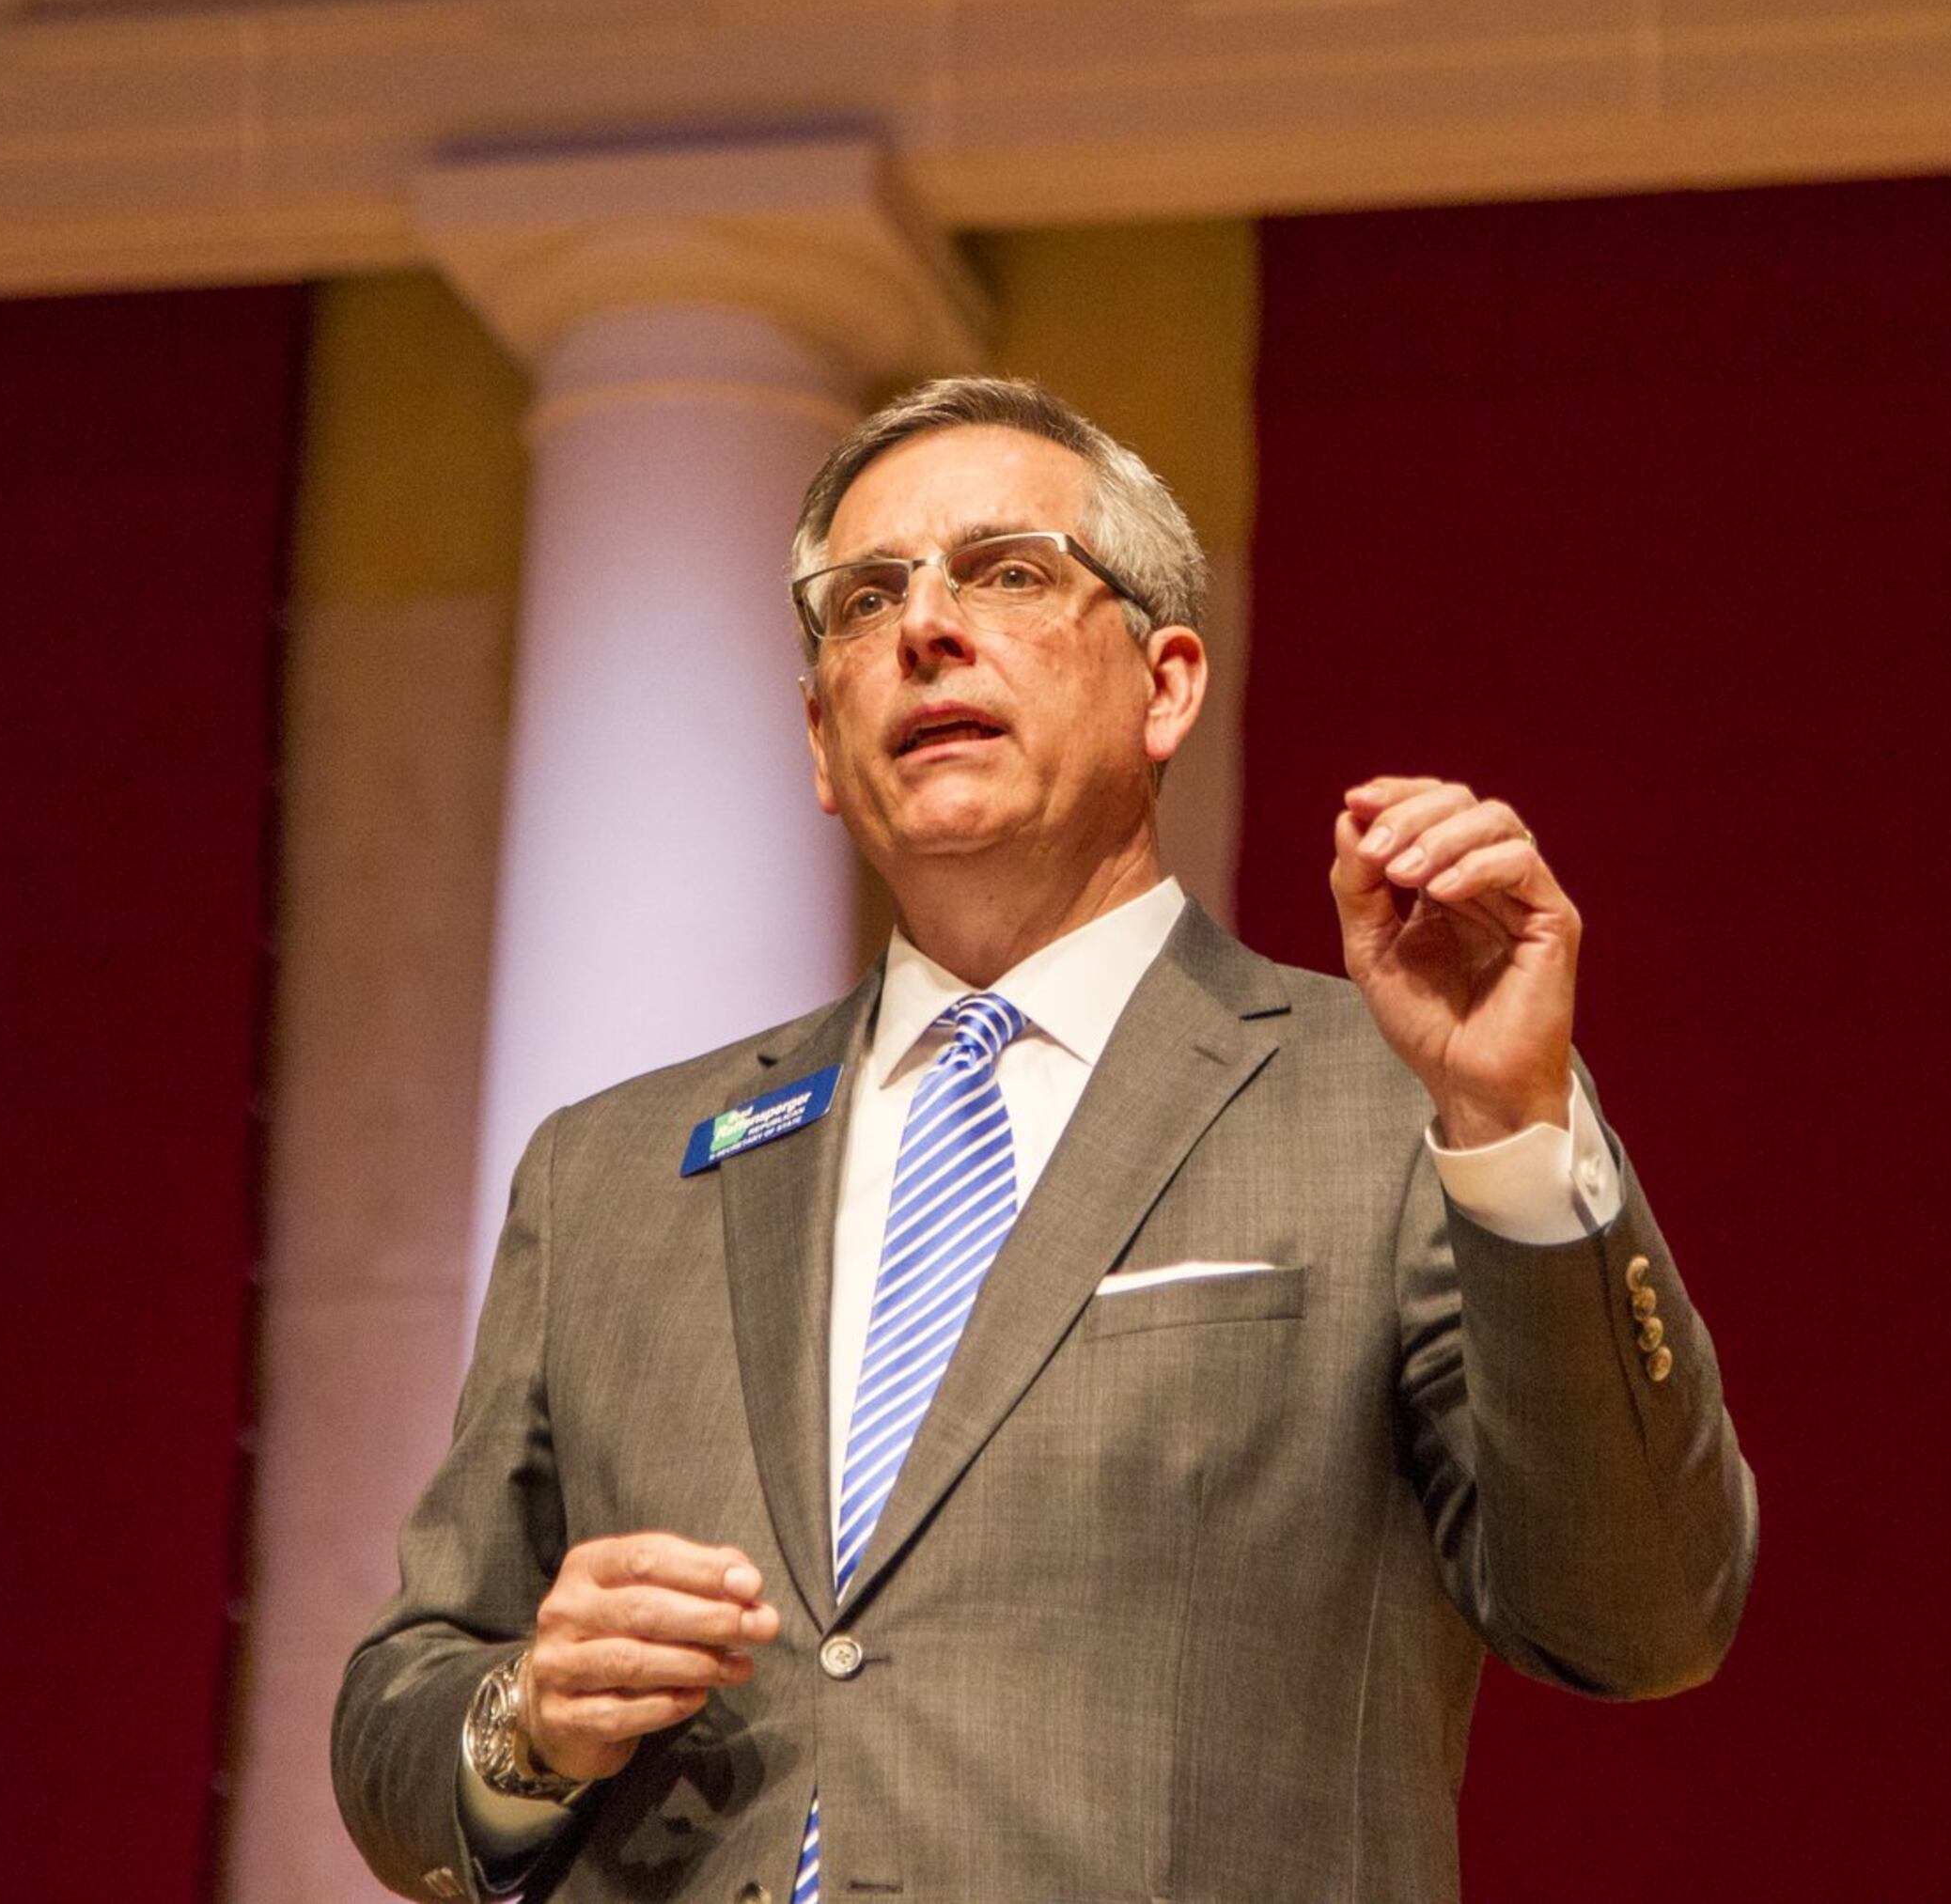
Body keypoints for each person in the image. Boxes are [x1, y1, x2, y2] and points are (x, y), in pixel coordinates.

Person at [333, 377, 1755, 1904]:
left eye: (1006, 571)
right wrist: (528, 1726)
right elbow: (402, 1702)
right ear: (821, 741)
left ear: (1167, 686)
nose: (925, 629)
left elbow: (1643, 1612)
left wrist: (1513, 1126)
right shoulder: (612, 1168)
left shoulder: (1388, 1097)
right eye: (864, 600)